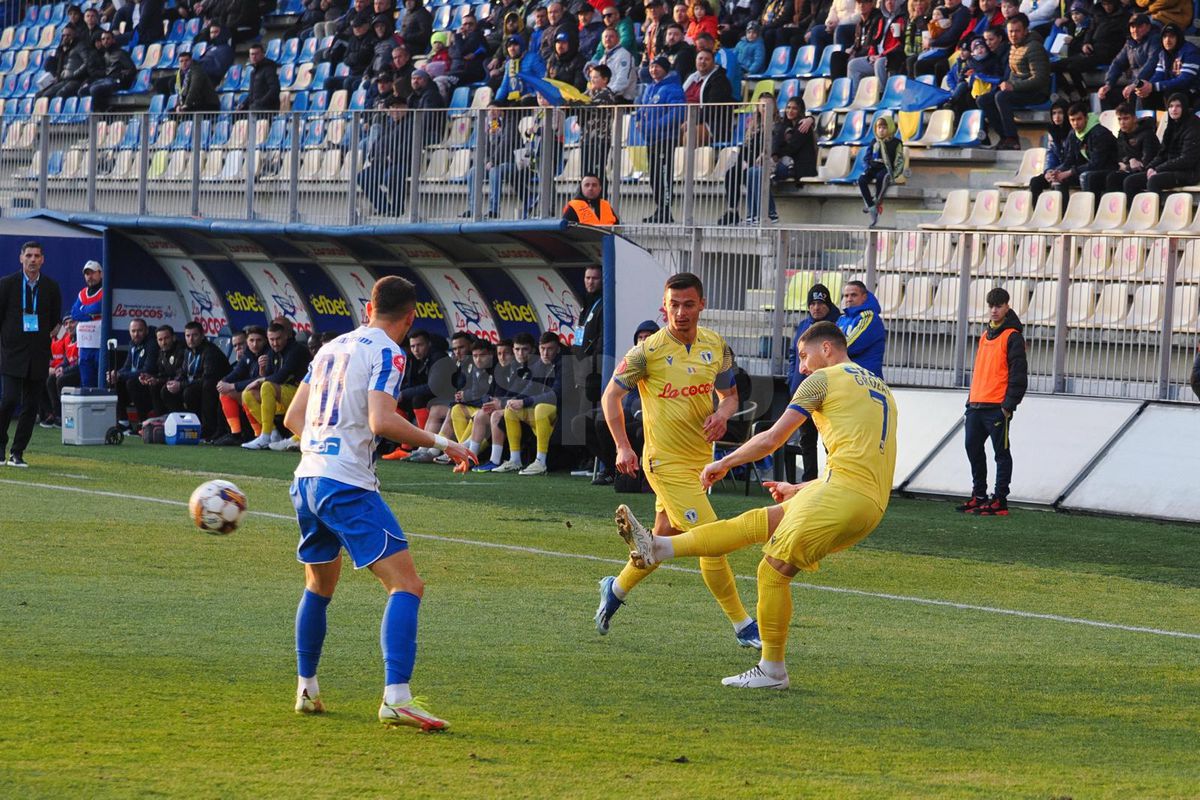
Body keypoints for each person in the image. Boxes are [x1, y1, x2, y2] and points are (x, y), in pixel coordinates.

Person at [612, 321, 896, 689]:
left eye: (804, 356)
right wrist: (799, 488)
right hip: (861, 499)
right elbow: (866, 464)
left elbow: (773, 438)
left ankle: (772, 670)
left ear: (827, 348)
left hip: (841, 497)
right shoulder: (882, 389)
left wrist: (723, 463)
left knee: (771, 572)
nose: (803, 367)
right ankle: (659, 547)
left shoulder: (822, 381)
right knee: (754, 523)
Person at [283, 275, 474, 729]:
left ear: (368, 306)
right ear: (410, 318)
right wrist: (442, 442)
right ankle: (396, 697)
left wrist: (328, 447)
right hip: (346, 485)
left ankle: (306, 687)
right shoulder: (388, 350)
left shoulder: (329, 348)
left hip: (307, 480)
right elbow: (382, 420)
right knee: (407, 586)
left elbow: (293, 417)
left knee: (318, 587)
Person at [593, 272, 760, 648]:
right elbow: (610, 398)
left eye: (688, 304)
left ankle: (615, 590)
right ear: (663, 307)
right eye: (673, 305)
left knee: (661, 540)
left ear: (702, 305)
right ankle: (743, 625)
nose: (680, 312)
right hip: (664, 463)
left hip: (701, 463)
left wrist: (722, 414)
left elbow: (729, 395)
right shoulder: (647, 351)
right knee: (712, 538)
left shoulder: (716, 345)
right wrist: (622, 446)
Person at [956, 287, 1027, 517]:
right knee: (972, 449)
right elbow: (980, 371)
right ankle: (979, 495)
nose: (994, 310)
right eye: (991, 306)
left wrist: (1008, 405)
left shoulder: (1013, 336)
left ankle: (1000, 499)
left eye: (998, 306)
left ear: (1007, 306)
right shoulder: (985, 335)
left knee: (1001, 453)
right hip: (976, 404)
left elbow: (1018, 375)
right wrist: (970, 400)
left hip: (997, 407)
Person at [0, 242, 62, 467]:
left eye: (37, 256)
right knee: (8, 400)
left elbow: (55, 319)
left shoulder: (51, 287)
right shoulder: (7, 285)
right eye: (29, 255)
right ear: (21, 258)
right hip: (11, 354)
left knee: (31, 406)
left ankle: (17, 453)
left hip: (38, 355)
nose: (33, 259)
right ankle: (0, 446)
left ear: (43, 259)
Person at [785, 283, 840, 483]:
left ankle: (832, 479)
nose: (816, 307)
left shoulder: (837, 325)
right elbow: (793, 354)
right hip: (803, 390)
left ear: (828, 304)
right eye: (813, 303)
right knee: (806, 439)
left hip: (828, 392)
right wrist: (793, 381)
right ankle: (808, 480)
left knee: (829, 439)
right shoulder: (803, 325)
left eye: (820, 303)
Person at [978, 13, 1050, 151]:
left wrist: (1013, 86)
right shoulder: (1014, 46)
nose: (1013, 35)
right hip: (1020, 90)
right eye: (1010, 31)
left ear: (1025, 31)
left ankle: (1012, 139)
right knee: (983, 100)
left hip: (1036, 92)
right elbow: (1014, 73)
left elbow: (1040, 79)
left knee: (1001, 96)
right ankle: (1004, 137)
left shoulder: (1034, 47)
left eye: (1017, 31)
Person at [496, 331, 563, 475]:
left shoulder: (564, 363)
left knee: (540, 408)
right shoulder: (539, 364)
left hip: (561, 412)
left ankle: (541, 462)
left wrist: (525, 402)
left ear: (558, 349)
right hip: (540, 414)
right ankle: (515, 460)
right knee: (510, 409)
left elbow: (556, 395)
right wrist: (516, 400)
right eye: (542, 349)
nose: (545, 353)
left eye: (550, 349)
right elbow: (530, 387)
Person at [242, 322, 310, 450]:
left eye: (278, 339)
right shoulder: (272, 352)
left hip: (303, 396)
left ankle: (265, 436)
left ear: (286, 336)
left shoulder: (296, 350)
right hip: (284, 394)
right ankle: (273, 434)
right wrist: (262, 370)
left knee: (267, 386)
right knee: (248, 394)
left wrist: (260, 379)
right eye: (271, 339)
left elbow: (280, 377)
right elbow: (269, 375)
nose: (275, 343)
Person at [637, 56, 686, 224]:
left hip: (665, 138)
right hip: (651, 139)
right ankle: (660, 208)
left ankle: (666, 210)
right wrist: (639, 121)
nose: (653, 70)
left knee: (664, 176)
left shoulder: (673, 88)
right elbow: (641, 108)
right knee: (654, 175)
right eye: (651, 67)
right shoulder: (650, 88)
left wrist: (654, 125)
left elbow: (677, 113)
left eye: (657, 67)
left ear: (665, 69)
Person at [1123, 92, 1200, 198]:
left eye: (1178, 106)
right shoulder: (1171, 127)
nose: (1174, 109)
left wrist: (1158, 169)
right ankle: (1135, 212)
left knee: (1154, 181)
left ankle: (1154, 212)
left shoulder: (1193, 127)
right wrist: (1149, 168)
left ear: (1185, 107)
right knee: (1130, 181)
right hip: (1170, 169)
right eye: (1171, 106)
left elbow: (1187, 160)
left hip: (1188, 172)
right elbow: (1162, 154)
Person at [1053, 0, 1128, 103]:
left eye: (1109, 3)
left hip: (1107, 53)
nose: (1107, 7)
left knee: (1073, 67)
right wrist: (1086, 43)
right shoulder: (1098, 13)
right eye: (1104, 4)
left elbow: (1126, 41)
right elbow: (1091, 30)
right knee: (1054, 66)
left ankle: (1084, 96)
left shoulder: (1124, 17)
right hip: (1092, 49)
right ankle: (1070, 93)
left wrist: (1126, 63)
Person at [213, 325, 267, 446]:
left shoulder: (267, 354)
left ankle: (258, 434)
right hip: (253, 391)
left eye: (258, 340)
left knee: (246, 394)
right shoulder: (248, 355)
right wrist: (223, 381)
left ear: (265, 340)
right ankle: (235, 434)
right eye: (251, 341)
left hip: (265, 392)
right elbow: (236, 373)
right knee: (224, 390)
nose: (255, 344)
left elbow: (259, 380)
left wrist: (232, 386)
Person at [1098, 13, 1160, 111]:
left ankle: (1139, 123)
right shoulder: (1130, 43)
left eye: (1139, 26)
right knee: (1105, 94)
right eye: (1132, 27)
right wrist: (1108, 84)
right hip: (1133, 84)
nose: (1135, 30)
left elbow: (1151, 64)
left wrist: (1136, 83)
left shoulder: (1155, 39)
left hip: (1149, 85)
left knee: (1137, 92)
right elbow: (1117, 62)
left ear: (1148, 27)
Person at [1135, 23, 1200, 111]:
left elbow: (1185, 80)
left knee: (1171, 93)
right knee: (1145, 93)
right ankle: (1148, 121)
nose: (1167, 40)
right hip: (1174, 90)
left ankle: (1172, 123)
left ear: (1179, 38)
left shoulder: (1190, 52)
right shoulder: (1163, 54)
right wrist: (1147, 87)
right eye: (1164, 37)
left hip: (1193, 91)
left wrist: (1153, 86)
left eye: (1172, 36)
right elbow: (1158, 75)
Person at [109, 317, 159, 428]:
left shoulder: (152, 344)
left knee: (131, 382)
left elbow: (148, 370)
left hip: (149, 384)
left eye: (140, 330)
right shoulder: (132, 344)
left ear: (146, 330)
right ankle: (123, 421)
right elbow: (127, 366)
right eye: (133, 331)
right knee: (115, 381)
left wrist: (121, 375)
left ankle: (142, 421)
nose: (136, 334)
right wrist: (115, 374)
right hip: (135, 383)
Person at [858, 115, 905, 227]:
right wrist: (869, 164)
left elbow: (899, 160)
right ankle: (870, 205)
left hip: (885, 168)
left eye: (884, 127)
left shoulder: (896, 143)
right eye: (879, 127)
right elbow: (867, 157)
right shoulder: (874, 141)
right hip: (873, 167)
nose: (881, 130)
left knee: (881, 177)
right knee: (861, 179)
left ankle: (877, 200)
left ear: (890, 128)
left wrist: (894, 174)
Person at [837, 280, 886, 377]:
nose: (849, 299)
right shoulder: (842, 319)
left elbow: (849, 346)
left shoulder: (869, 317)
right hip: (848, 377)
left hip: (866, 379)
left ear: (864, 297)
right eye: (846, 296)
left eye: (853, 295)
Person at [1107, 102, 1160, 193]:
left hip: (1149, 172)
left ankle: (1133, 206)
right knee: (1111, 178)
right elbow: (1119, 155)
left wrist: (1127, 166)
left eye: (1126, 118)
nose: (1122, 122)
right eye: (1119, 119)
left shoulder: (1147, 134)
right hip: (1130, 170)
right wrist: (1130, 160)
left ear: (1135, 118)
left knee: (1130, 181)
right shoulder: (1122, 134)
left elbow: (1146, 162)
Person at [80, 30, 136, 112]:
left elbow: (132, 69)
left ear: (113, 40)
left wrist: (122, 77)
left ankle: (103, 112)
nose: (105, 41)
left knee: (95, 89)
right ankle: (103, 110)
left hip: (117, 81)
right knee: (82, 91)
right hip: (107, 79)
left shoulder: (120, 54)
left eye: (108, 39)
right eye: (103, 39)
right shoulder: (105, 54)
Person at [1028, 99, 1071, 202]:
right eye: (1054, 113)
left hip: (1069, 171)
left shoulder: (1073, 130)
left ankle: (1062, 216)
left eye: (1060, 113)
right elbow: (1051, 154)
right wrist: (1049, 171)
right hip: (1057, 170)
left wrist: (1057, 171)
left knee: (1059, 180)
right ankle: (1036, 213)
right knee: (1035, 181)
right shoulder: (1052, 131)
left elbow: (1072, 157)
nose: (1057, 116)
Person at [70, 260, 104, 389]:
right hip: (84, 346)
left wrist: (84, 310)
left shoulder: (105, 290)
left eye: (92, 273)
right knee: (86, 383)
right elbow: (74, 313)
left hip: (99, 345)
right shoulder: (82, 293)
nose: (89, 276)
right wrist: (91, 314)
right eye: (87, 274)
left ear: (100, 273)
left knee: (101, 383)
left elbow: (99, 307)